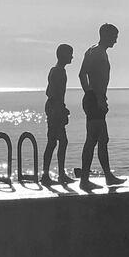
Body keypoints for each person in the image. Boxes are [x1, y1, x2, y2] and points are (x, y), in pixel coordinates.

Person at [78, 23, 126, 191]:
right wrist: (93, 95)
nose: (116, 40)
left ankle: (108, 176)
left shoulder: (99, 52)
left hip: (98, 99)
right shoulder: (96, 52)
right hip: (94, 100)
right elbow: (82, 74)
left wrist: (99, 97)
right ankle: (84, 179)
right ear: (105, 35)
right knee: (92, 139)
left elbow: (86, 75)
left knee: (103, 140)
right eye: (114, 36)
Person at [41, 43, 74, 186]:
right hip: (55, 110)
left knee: (58, 142)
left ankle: (59, 174)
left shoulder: (58, 71)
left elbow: (51, 92)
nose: (72, 56)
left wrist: (63, 108)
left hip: (56, 108)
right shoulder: (57, 72)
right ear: (63, 55)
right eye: (70, 54)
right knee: (54, 142)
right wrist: (59, 109)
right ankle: (49, 175)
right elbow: (52, 93)